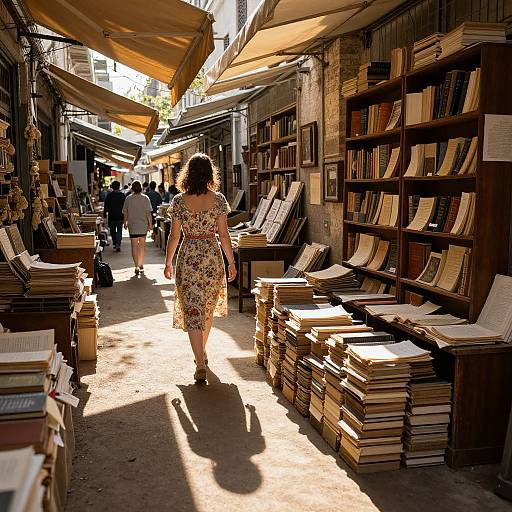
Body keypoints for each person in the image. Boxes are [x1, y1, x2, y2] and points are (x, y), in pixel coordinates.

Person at [164, 153, 236, 382]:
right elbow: (224, 235)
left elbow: (174, 236)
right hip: (213, 257)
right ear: (209, 174)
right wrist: (231, 261)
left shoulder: (178, 201)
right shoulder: (219, 200)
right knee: (206, 308)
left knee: (192, 311)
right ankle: (201, 356)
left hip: (188, 258)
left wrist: (168, 262)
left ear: (188, 173)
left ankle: (200, 361)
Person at [122, 180, 153, 275]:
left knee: (134, 246)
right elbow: (148, 213)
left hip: (133, 225)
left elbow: (125, 212)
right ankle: (141, 264)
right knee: (142, 246)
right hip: (143, 225)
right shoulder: (145, 198)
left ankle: (136, 266)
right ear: (140, 188)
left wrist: (125, 222)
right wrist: (150, 224)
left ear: (132, 188)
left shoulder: (128, 199)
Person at [103, 180, 125, 252]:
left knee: (112, 231)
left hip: (111, 216)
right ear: (119, 187)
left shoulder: (109, 195)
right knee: (119, 230)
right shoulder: (122, 195)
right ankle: (118, 243)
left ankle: (115, 243)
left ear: (112, 187)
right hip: (120, 216)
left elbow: (106, 206)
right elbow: (125, 207)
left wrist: (104, 214)